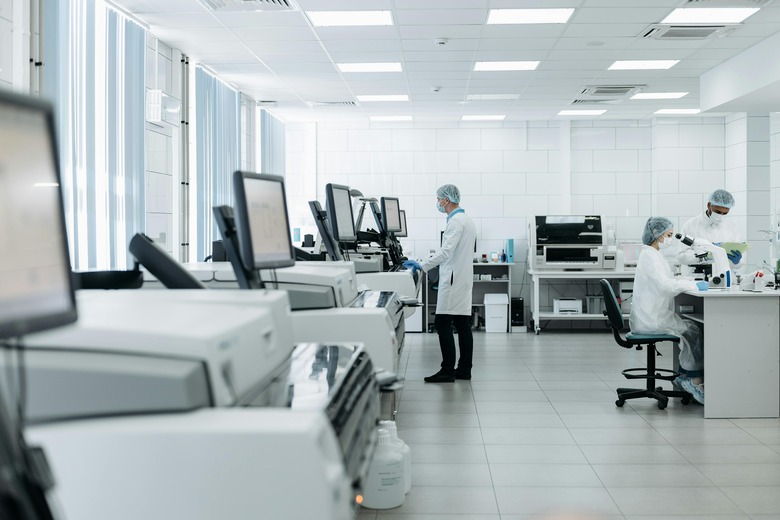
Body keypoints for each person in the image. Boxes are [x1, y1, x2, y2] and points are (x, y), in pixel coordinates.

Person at [403, 184, 477, 383]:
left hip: (453, 280)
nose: (437, 202)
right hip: (462, 277)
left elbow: (446, 252)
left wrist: (421, 265)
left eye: (438, 199)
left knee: (442, 323)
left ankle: (447, 370)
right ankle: (464, 370)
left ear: (446, 199)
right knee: (462, 324)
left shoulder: (456, 222)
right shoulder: (466, 220)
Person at [631, 217, 708, 404]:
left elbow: (666, 281)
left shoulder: (652, 254)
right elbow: (665, 286)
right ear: (657, 235)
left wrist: (688, 282)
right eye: (669, 235)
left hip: (652, 314)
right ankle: (693, 380)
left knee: (690, 327)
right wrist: (694, 285)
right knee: (693, 331)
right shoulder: (650, 256)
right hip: (651, 320)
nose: (670, 239)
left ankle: (685, 377)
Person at [677, 189, 746, 270]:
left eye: (725, 213)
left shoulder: (731, 227)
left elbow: (739, 263)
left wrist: (737, 262)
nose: (721, 215)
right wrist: (706, 254)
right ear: (709, 205)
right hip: (696, 277)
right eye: (717, 212)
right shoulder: (690, 225)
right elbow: (681, 256)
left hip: (723, 275)